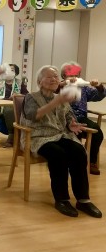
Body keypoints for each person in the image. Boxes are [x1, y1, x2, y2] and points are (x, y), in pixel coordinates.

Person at [21, 65, 101, 218]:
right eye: (49, 77)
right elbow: (33, 115)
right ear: (39, 81)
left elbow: (69, 115)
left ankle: (83, 200)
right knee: (58, 154)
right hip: (38, 137)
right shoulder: (31, 97)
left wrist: (71, 124)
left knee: (79, 151)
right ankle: (62, 199)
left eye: (56, 77)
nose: (54, 79)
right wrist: (56, 101)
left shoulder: (60, 98)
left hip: (60, 135)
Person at [59, 61, 104, 175]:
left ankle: (91, 161)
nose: (74, 77)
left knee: (97, 132)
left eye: (76, 75)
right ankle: (74, 160)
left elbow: (99, 95)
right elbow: (52, 91)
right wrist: (65, 84)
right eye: (71, 75)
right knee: (74, 135)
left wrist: (98, 86)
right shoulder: (59, 86)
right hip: (62, 119)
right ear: (64, 75)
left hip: (81, 118)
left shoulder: (83, 88)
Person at [0, 63, 28, 147]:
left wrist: (17, 95)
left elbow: (26, 95)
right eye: (7, 70)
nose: (9, 72)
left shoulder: (19, 83)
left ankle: (11, 136)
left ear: (16, 73)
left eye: (12, 70)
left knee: (10, 111)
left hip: (11, 103)